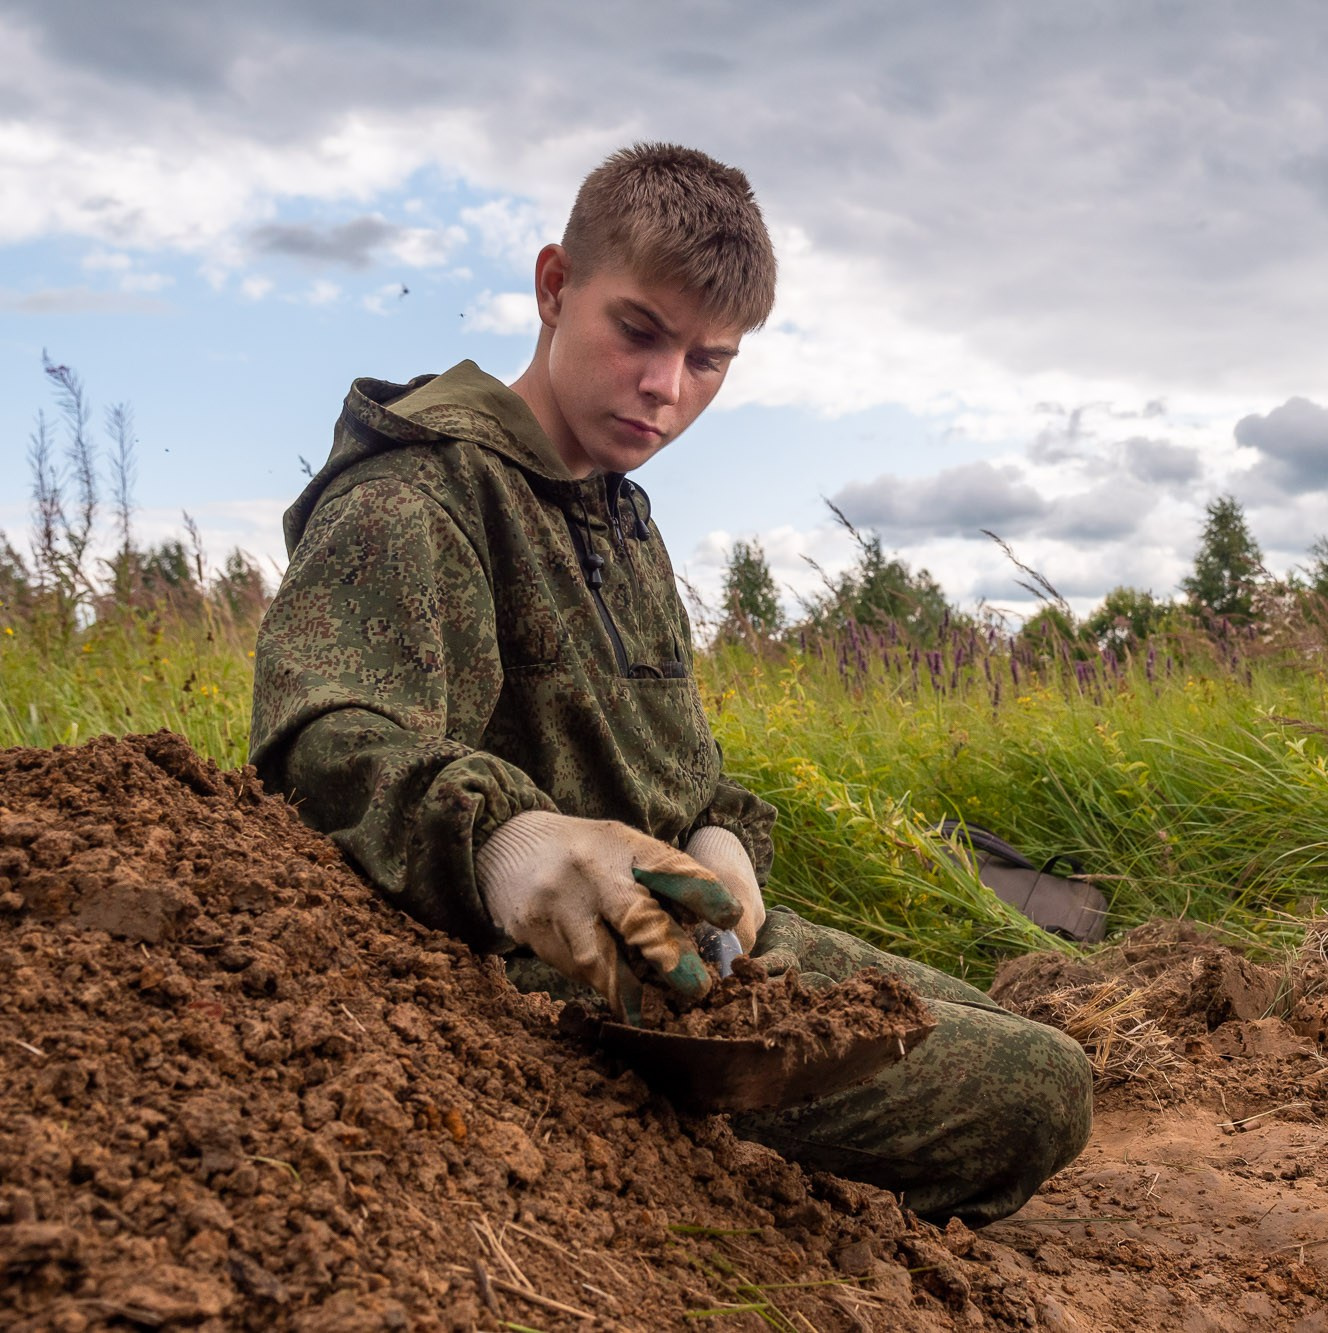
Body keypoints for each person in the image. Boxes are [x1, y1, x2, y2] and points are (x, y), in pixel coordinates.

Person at [248, 143, 1091, 1225]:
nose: (664, 389)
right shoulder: (420, 492)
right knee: (1036, 1093)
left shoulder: (617, 508)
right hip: (558, 987)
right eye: (638, 332)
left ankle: (764, 1181)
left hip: (700, 957)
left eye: (709, 361)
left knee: (1012, 1032)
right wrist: (512, 846)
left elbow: (684, 775)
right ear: (555, 287)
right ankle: (712, 1212)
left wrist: (721, 847)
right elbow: (323, 743)